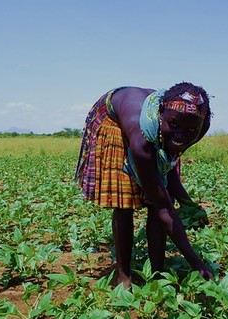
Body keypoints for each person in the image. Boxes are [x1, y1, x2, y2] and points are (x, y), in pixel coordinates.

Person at [75, 82, 214, 287]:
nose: (180, 136)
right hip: (114, 117)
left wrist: (188, 205)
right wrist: (196, 263)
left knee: (161, 198)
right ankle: (123, 273)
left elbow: (167, 168)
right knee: (125, 202)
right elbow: (163, 206)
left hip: (154, 126)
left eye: (190, 129)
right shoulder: (141, 139)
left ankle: (157, 271)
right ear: (160, 115)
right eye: (173, 126)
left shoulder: (199, 123)